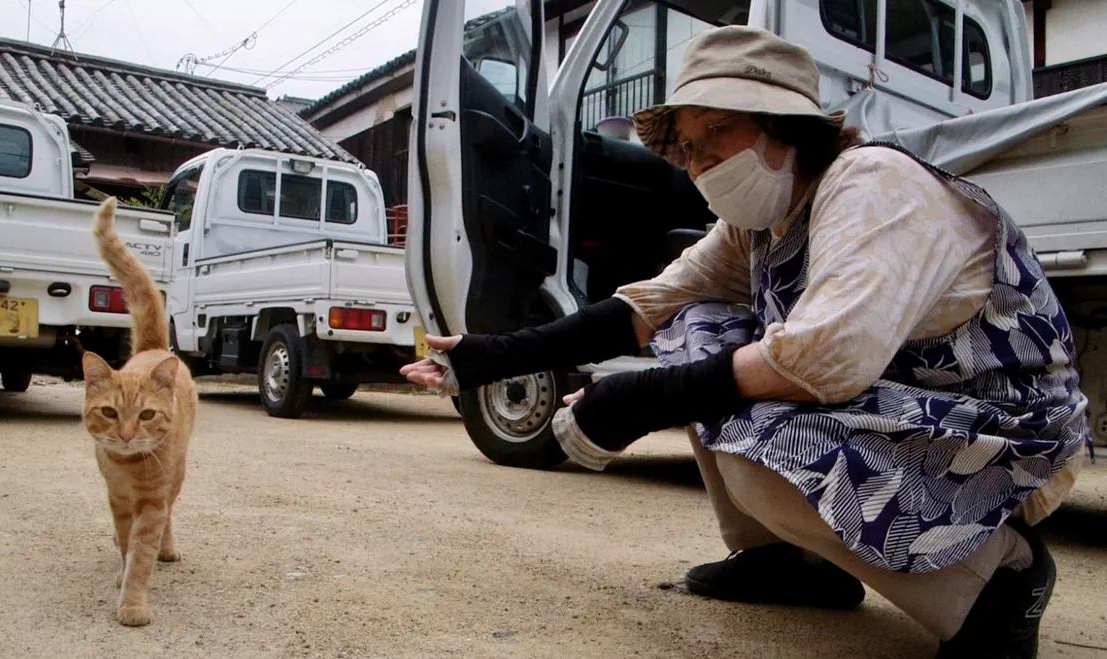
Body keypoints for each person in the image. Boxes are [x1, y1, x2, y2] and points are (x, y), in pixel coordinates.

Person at [401, 25, 1091, 659]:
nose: (698, 160)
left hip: (1011, 435)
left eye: (718, 131)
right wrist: (484, 356)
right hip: (913, 408)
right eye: (688, 146)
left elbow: (828, 356)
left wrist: (636, 400)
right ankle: (792, 560)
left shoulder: (872, 184)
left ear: (783, 127)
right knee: (699, 335)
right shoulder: (759, 225)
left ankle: (997, 579)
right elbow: (648, 306)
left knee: (769, 444)